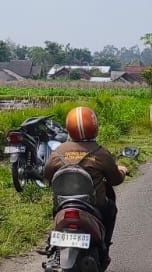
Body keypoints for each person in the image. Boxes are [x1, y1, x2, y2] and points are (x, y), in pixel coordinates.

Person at [44, 105, 130, 251]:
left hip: (63, 203)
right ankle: (104, 244)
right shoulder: (100, 152)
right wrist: (122, 171)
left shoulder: (58, 152)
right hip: (93, 205)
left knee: (55, 210)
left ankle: (53, 242)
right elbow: (115, 180)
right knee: (110, 209)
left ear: (69, 128)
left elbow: (47, 175)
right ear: (95, 127)